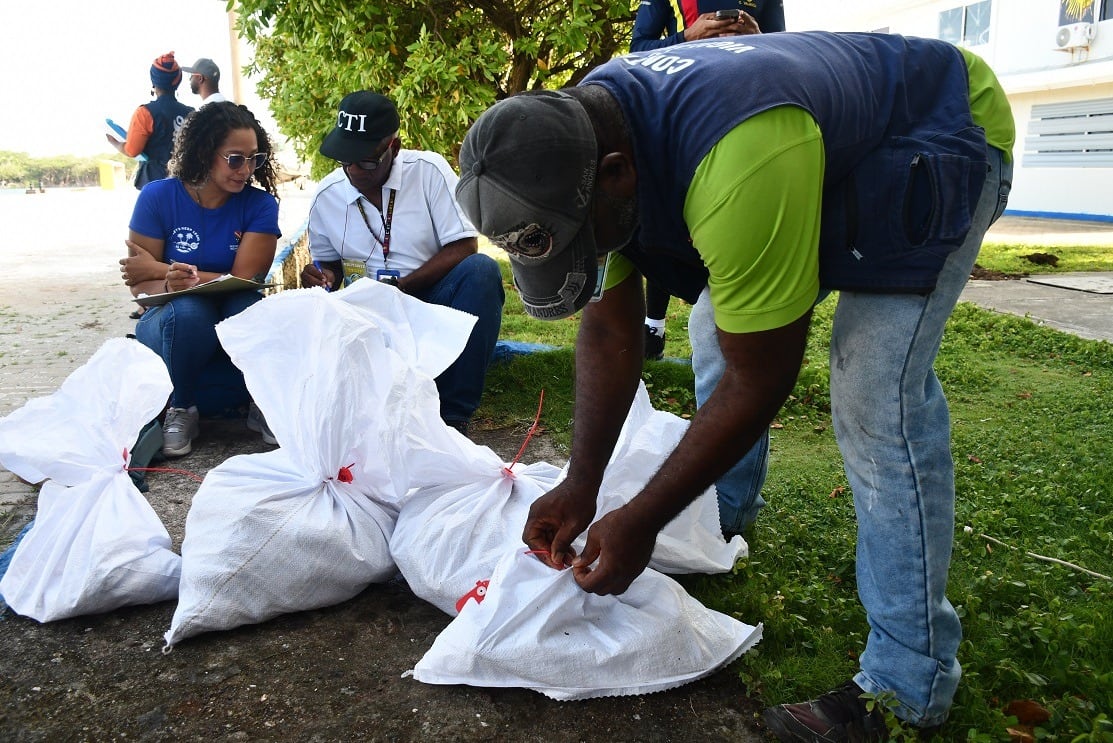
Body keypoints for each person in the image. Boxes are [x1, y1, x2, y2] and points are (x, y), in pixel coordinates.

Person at [456, 32, 1014, 741]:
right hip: (799, 145)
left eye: (584, 242)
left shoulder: (738, 156)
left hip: (938, 126)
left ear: (620, 175)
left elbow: (765, 372)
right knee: (716, 332)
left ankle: (910, 680)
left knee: (876, 390)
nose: (589, 259)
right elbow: (609, 332)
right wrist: (582, 483)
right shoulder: (582, 134)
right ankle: (726, 513)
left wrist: (646, 516)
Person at [300, 91, 504, 436]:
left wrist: (403, 288)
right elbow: (329, 266)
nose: (354, 171)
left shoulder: (428, 171)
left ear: (393, 147)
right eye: (345, 160)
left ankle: (453, 416)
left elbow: (465, 245)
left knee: (482, 271)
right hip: (368, 312)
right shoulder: (326, 196)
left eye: (366, 161)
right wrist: (321, 276)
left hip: (427, 295)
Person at [119, 102, 282, 457]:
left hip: (231, 310)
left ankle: (262, 402)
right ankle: (181, 407)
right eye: (235, 158)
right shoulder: (157, 197)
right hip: (169, 319)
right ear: (205, 153)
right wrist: (167, 284)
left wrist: (165, 270)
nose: (246, 169)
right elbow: (139, 284)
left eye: (255, 158)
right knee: (190, 310)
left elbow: (244, 279)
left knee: (248, 305)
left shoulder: (260, 205)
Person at [631, 1, 783, 360]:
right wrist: (688, 35)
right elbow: (639, 50)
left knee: (737, 214)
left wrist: (756, 37)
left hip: (748, 108)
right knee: (667, 218)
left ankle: (740, 326)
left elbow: (785, 48)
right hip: (686, 107)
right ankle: (654, 325)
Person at [105, 52, 195, 190]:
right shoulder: (191, 113)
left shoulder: (145, 113)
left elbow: (132, 151)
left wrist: (116, 143)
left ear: (153, 81)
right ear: (177, 81)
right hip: (186, 186)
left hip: (155, 186)